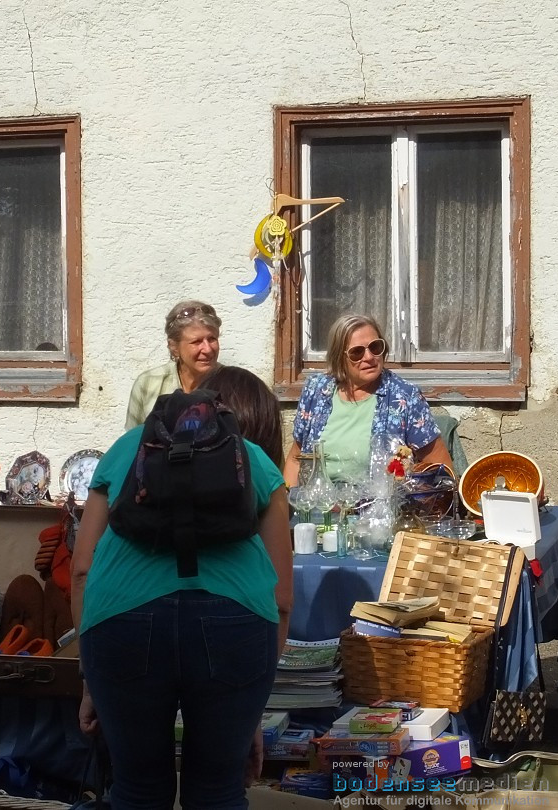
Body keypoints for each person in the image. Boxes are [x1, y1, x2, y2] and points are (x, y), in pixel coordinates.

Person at [72, 366, 293, 809]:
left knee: (136, 789)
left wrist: (92, 683)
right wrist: (249, 703)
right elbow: (281, 600)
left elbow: (81, 570)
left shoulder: (122, 452)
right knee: (218, 792)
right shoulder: (259, 464)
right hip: (235, 626)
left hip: (121, 623)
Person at [283, 313, 454, 487]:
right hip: (318, 506)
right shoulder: (316, 389)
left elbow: (441, 471)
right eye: (357, 352)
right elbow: (296, 460)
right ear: (339, 358)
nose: (369, 357)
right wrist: (287, 506)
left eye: (375, 347)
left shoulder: (404, 397)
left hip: (377, 509)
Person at [124, 300, 222, 428]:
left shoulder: (236, 386)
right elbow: (133, 440)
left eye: (212, 339)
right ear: (174, 347)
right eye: (196, 342)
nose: (208, 349)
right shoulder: (148, 383)